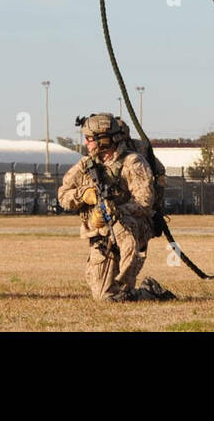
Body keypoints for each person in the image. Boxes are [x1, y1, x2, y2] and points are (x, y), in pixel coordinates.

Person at [56, 113, 173, 302]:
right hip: (101, 233)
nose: (86, 143)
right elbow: (62, 195)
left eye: (89, 139)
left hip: (133, 228)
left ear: (103, 140)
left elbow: (144, 202)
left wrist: (115, 211)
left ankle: (144, 290)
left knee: (118, 293)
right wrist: (84, 195)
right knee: (105, 296)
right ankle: (148, 292)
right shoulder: (86, 165)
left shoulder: (133, 162)